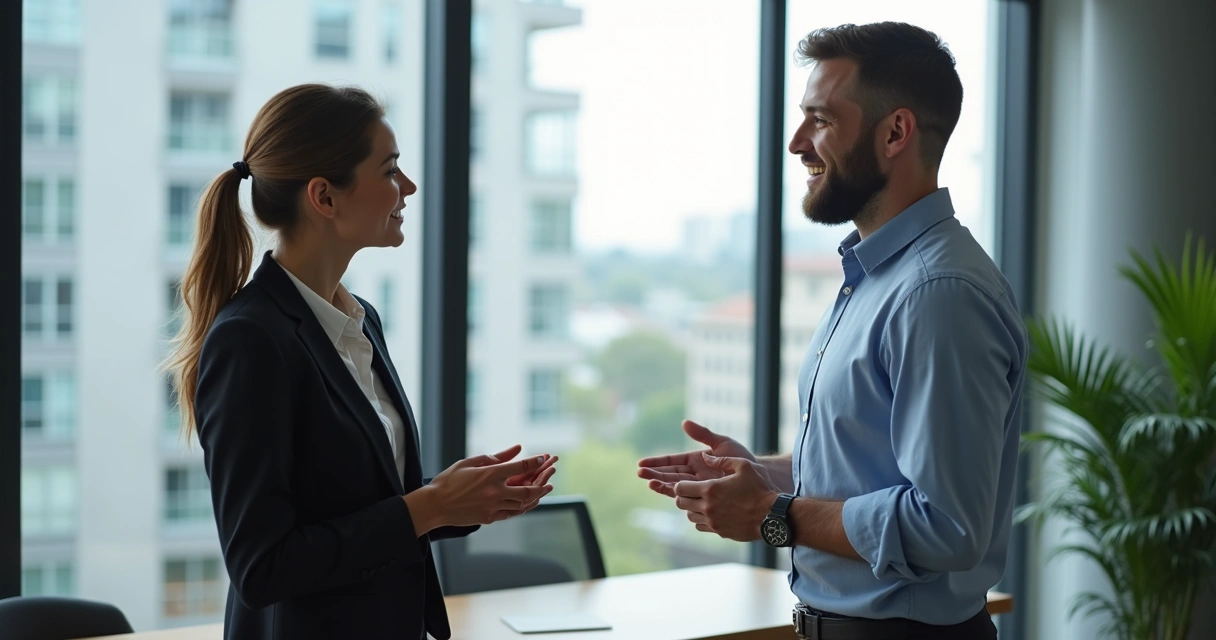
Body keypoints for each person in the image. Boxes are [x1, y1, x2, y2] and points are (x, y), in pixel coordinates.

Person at [638, 22, 1025, 640]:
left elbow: (946, 526)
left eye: (820, 119)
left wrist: (772, 515)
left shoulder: (936, 294)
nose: (797, 142)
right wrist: (765, 477)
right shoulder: (874, 278)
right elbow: (873, 468)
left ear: (895, 132)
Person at [165, 84, 558, 640]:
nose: (410, 188)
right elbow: (262, 565)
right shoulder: (251, 341)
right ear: (325, 197)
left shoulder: (360, 318)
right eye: (391, 170)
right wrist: (427, 507)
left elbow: (350, 500)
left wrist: (456, 500)